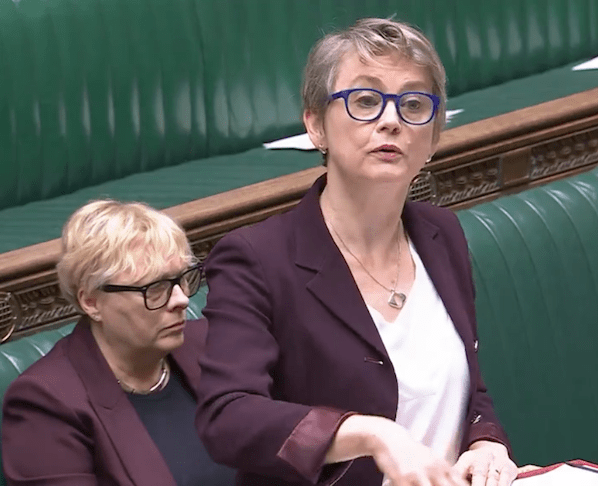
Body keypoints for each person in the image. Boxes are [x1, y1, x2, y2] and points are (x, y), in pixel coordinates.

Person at [195, 17, 517, 486]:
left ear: (433, 137)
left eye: (413, 104)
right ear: (315, 126)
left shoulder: (441, 233)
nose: (391, 120)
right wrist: (370, 435)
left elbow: (470, 387)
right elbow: (228, 418)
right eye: (365, 100)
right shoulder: (256, 259)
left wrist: (486, 441)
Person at [1, 200, 235, 486]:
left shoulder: (209, 343)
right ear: (91, 302)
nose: (181, 299)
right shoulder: (47, 403)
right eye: (155, 287)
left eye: (182, 279)